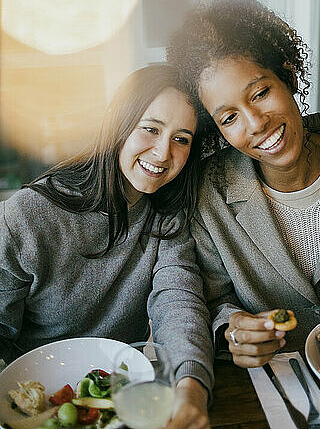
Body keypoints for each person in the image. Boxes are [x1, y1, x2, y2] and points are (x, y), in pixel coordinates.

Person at [167, 0, 320, 369]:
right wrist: (232, 329)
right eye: (229, 118)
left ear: (288, 76)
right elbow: (214, 302)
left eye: (260, 93)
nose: (256, 123)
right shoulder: (209, 195)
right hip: (269, 391)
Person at [0, 64, 212, 429]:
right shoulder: (26, 216)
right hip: (35, 402)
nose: (162, 153)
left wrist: (191, 386)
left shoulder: (168, 214)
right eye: (150, 128)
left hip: (121, 397)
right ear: (119, 124)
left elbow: (178, 303)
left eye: (181, 138)